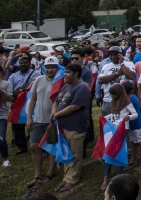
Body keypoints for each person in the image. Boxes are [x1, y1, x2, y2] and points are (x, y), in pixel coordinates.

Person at [51, 63, 91, 193]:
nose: (65, 75)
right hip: (64, 126)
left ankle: (72, 179)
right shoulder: (65, 86)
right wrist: (53, 113)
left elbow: (75, 106)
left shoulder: (82, 87)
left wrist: (56, 114)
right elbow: (56, 101)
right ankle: (66, 177)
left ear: (76, 74)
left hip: (76, 126)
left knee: (75, 154)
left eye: (68, 73)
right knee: (66, 153)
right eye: (65, 72)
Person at [26, 57, 60, 187]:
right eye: (48, 67)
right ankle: (38, 173)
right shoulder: (39, 80)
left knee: (51, 146)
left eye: (53, 67)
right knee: (34, 145)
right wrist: (29, 118)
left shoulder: (59, 81)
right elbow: (32, 100)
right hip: (38, 118)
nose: (50, 69)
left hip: (52, 119)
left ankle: (50, 172)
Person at [101, 83, 138, 191]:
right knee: (109, 152)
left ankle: (119, 175)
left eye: (114, 94)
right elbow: (113, 115)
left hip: (122, 130)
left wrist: (128, 117)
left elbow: (135, 114)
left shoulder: (126, 103)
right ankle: (106, 177)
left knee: (120, 152)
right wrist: (105, 118)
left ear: (120, 94)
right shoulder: (114, 102)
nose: (113, 97)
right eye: (111, 94)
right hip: (112, 129)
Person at [98, 47, 136, 114]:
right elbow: (100, 80)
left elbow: (131, 76)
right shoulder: (106, 66)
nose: (113, 56)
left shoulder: (129, 64)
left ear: (121, 54)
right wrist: (117, 73)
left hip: (124, 100)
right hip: (109, 99)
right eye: (111, 55)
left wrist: (121, 63)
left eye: (115, 54)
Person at [120, 81, 141, 170]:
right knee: (133, 143)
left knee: (140, 142)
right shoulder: (133, 98)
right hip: (132, 125)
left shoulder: (131, 100)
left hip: (136, 124)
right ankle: (132, 160)